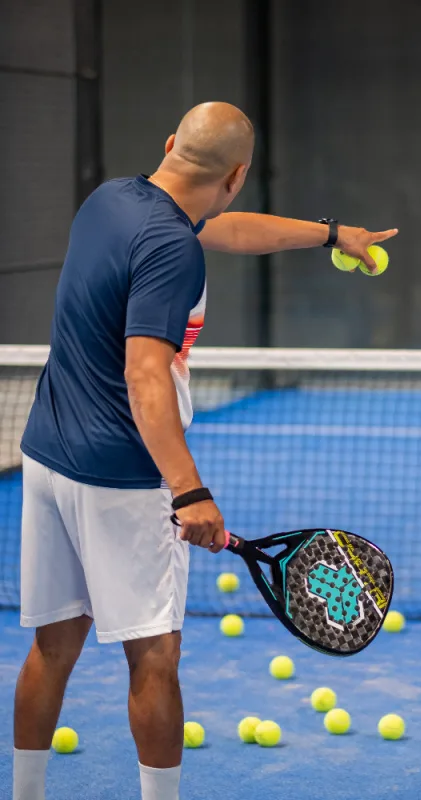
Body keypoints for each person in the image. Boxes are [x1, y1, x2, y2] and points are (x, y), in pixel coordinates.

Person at [13, 101, 397, 800]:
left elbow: (226, 227)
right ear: (239, 174)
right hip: (122, 477)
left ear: (170, 147)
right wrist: (189, 490)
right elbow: (144, 372)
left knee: (52, 645)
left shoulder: (111, 202)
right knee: (156, 656)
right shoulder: (172, 250)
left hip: (45, 456)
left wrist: (332, 234)